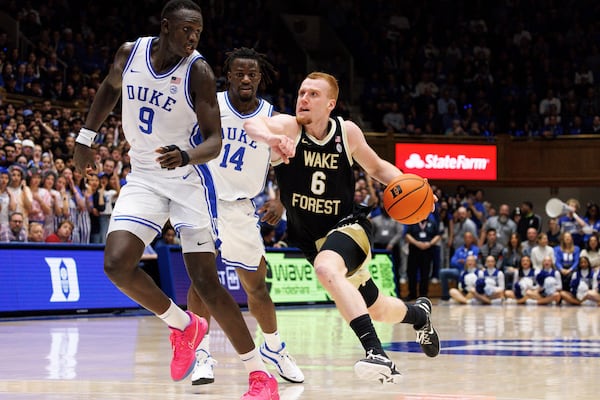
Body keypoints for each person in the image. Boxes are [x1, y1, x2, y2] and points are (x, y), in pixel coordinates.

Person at [72, 2, 279, 399]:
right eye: (186, 30)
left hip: (188, 181)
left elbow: (215, 141)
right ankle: (184, 325)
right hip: (146, 177)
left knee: (205, 283)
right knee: (116, 264)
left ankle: (259, 374)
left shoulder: (198, 71)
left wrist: (186, 155)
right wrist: (86, 137)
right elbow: (110, 89)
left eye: (198, 32)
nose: (192, 39)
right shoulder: (128, 53)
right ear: (166, 27)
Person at [244, 72, 440, 384]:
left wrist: (414, 186)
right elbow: (251, 124)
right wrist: (271, 139)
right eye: (301, 92)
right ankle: (420, 315)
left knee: (325, 269)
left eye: (313, 95)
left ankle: (377, 353)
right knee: (377, 308)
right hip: (313, 239)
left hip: (349, 227)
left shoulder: (346, 132)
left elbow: (375, 167)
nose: (304, 99)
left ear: (330, 104)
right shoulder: (287, 127)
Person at [187, 47, 303, 386]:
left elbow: (288, 163)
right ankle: (202, 354)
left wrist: (281, 199)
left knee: (257, 287)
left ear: (260, 77)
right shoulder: (211, 106)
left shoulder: (272, 118)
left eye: (252, 73)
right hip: (202, 200)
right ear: (229, 75)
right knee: (201, 281)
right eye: (239, 73)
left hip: (241, 207)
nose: (246, 78)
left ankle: (274, 348)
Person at [404, 217, 441, 300]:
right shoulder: (412, 221)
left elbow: (438, 235)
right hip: (414, 250)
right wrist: (417, 243)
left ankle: (423, 294)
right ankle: (412, 294)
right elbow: (407, 235)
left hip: (427, 251)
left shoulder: (432, 222)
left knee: (425, 273)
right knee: (411, 273)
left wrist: (430, 243)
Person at [440, 231, 480, 301]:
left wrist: (463, 261)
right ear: (464, 239)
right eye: (466, 238)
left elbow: (475, 261)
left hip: (472, 272)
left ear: (472, 239)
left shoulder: (476, 249)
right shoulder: (459, 249)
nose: (468, 239)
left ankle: (469, 297)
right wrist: (463, 262)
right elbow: (452, 262)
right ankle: (445, 295)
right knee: (442, 272)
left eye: (469, 237)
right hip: (459, 270)